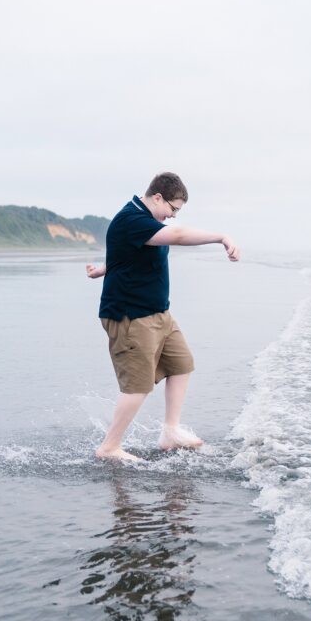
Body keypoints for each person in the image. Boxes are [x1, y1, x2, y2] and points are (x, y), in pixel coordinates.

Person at [86, 172, 240, 461]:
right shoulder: (132, 219)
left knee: (181, 364)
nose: (172, 215)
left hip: (159, 313)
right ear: (157, 197)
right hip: (130, 316)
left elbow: (127, 254)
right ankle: (109, 447)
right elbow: (179, 236)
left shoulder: (146, 221)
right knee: (138, 386)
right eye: (173, 208)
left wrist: (104, 269)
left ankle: (170, 430)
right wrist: (221, 237)